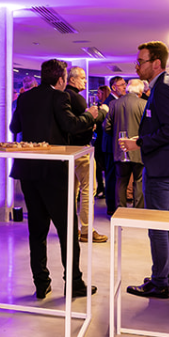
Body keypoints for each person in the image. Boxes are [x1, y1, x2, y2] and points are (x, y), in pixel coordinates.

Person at [9, 59, 106, 299]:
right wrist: (91, 116)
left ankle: (41, 283)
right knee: (67, 229)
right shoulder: (59, 97)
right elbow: (71, 125)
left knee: (37, 230)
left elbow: (14, 126)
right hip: (54, 171)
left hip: (28, 171)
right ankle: (74, 283)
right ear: (62, 79)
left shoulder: (24, 98)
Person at [121, 42, 169, 299]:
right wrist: (143, 138)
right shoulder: (167, 84)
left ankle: (160, 281)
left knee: (158, 225)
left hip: (164, 168)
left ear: (156, 63)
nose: (136, 66)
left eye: (140, 61)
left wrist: (140, 143)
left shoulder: (163, 87)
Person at [65, 66, 105, 243]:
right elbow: (88, 120)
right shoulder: (77, 98)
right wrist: (102, 112)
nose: (85, 80)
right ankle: (87, 230)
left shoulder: (63, 97)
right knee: (88, 190)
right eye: (82, 77)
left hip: (68, 151)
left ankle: (71, 228)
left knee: (72, 192)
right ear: (72, 79)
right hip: (81, 150)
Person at [103, 77, 144, 216]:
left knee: (121, 181)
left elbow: (106, 126)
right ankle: (138, 213)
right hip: (138, 148)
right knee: (139, 181)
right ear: (140, 92)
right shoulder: (144, 104)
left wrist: (116, 134)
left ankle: (120, 212)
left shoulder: (114, 104)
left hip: (120, 148)